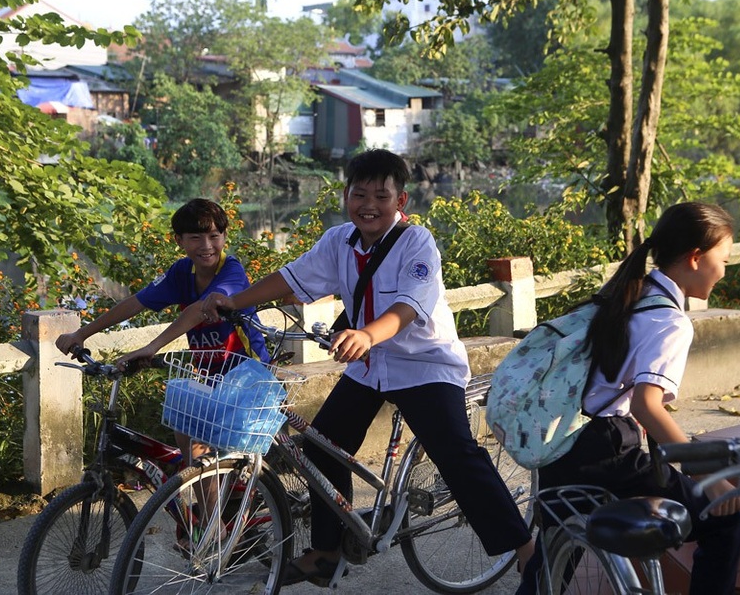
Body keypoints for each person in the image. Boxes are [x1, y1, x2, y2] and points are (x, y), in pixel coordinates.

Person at [202, 148, 533, 586]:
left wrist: (367, 334)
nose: (369, 205)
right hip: (369, 366)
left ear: (402, 201)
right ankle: (325, 551)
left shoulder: (418, 243)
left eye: (382, 195)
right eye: (360, 194)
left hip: (424, 365)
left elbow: (408, 306)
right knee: (320, 447)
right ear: (345, 196)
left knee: (455, 454)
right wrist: (234, 302)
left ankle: (528, 549)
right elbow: (292, 277)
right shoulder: (339, 241)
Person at [517, 202, 740, 595]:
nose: (724, 270)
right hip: (605, 449)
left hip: (561, 438)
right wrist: (708, 476)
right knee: (725, 520)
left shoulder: (628, 292)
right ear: (695, 258)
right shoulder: (670, 321)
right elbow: (646, 405)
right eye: (723, 259)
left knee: (549, 568)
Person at [55, 197, 270, 467]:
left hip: (248, 378)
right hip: (208, 379)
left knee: (205, 459)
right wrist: (82, 334)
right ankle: (204, 509)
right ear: (179, 240)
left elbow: (199, 309)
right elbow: (137, 302)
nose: (206, 246)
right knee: (192, 451)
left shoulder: (231, 271)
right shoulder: (182, 272)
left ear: (225, 236)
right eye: (195, 238)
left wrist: (151, 346)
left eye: (214, 236)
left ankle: (214, 508)